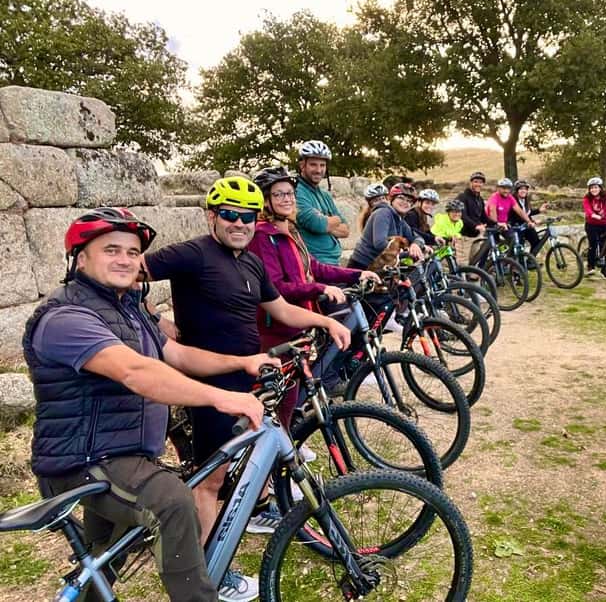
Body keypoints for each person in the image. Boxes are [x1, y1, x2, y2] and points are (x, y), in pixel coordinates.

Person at [23, 207, 271, 602]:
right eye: (111, 250)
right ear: (80, 258)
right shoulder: (65, 317)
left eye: (132, 252)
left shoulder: (130, 310)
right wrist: (223, 397)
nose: (124, 259)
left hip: (121, 457)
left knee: (104, 563)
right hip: (83, 464)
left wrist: (242, 363)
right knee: (173, 502)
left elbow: (179, 355)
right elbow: (136, 372)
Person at [143, 176, 351, 599]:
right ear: (211, 216)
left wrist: (326, 320)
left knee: (247, 459)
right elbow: (132, 271)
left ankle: (251, 514)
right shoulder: (193, 253)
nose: (240, 223)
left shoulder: (251, 262)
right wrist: (152, 319)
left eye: (248, 216)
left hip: (249, 373)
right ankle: (205, 576)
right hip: (209, 378)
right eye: (230, 215)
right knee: (210, 481)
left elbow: (280, 309)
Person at [248, 166, 379, 402]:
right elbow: (275, 287)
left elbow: (314, 267)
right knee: (284, 398)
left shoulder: (290, 231)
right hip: (277, 328)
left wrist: (357, 274)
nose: (287, 199)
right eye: (278, 194)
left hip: (299, 321)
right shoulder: (262, 236)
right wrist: (320, 288)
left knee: (296, 391)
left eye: (289, 193)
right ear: (266, 200)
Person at [293, 140, 349, 265]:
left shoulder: (325, 195)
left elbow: (346, 230)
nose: (318, 170)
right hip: (314, 262)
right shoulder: (295, 191)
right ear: (302, 165)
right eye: (313, 165)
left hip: (334, 261)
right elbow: (317, 223)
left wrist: (327, 222)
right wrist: (333, 220)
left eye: (322, 165)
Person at [347, 182, 425, 269]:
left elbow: (417, 237)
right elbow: (380, 244)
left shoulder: (399, 219)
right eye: (401, 198)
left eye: (410, 201)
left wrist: (416, 245)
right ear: (391, 199)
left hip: (382, 266)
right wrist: (408, 252)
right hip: (363, 266)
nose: (405, 202)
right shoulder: (383, 213)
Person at [456, 171, 496, 265]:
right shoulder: (462, 197)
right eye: (475, 181)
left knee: (474, 267)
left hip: (475, 237)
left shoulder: (479, 199)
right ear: (471, 183)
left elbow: (484, 217)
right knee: (463, 266)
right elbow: (462, 216)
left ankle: (472, 279)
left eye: (480, 182)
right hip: (463, 236)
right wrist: (476, 226)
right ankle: (457, 279)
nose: (478, 184)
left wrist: (497, 224)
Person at [508, 179, 548, 254]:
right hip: (516, 226)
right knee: (518, 247)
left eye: (525, 189)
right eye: (521, 189)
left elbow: (527, 213)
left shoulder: (525, 200)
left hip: (525, 225)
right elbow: (519, 215)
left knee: (536, 241)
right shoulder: (513, 200)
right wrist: (532, 222)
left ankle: (531, 261)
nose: (524, 191)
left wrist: (539, 210)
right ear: (516, 190)